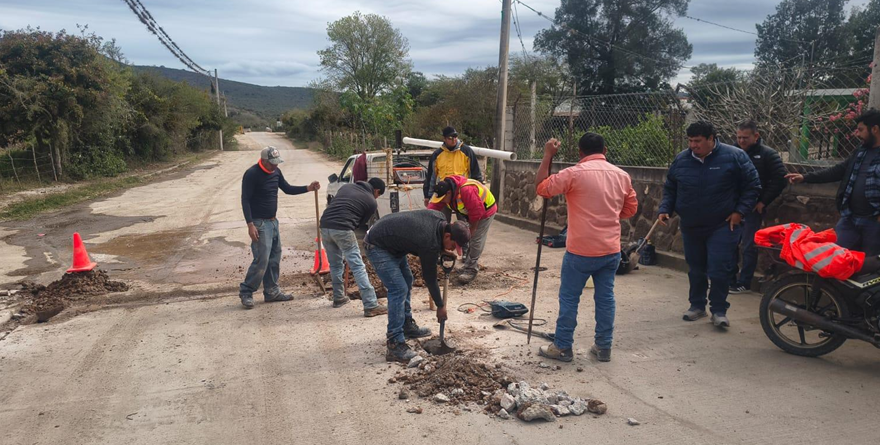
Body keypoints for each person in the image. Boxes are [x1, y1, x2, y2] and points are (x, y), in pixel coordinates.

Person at [534, 134, 638, 363]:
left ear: (580, 152)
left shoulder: (573, 174)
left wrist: (548, 155)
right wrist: (608, 214)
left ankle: (562, 346)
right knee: (606, 298)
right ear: (605, 150)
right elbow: (630, 209)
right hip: (610, 250)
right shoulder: (622, 176)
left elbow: (542, 188)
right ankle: (603, 347)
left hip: (580, 251)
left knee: (570, 298)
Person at [659, 121, 761, 328]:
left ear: (711, 139)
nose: (693, 145)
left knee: (719, 268)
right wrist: (665, 208)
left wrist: (739, 212)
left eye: (697, 141)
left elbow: (753, 186)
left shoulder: (735, 156)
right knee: (696, 268)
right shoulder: (682, 159)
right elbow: (671, 187)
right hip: (691, 225)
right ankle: (697, 306)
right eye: (690, 141)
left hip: (723, 225)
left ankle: (719, 310)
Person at [364, 210, 470, 362]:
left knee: (407, 280)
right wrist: (440, 306)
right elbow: (430, 279)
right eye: (453, 245)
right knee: (398, 288)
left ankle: (406, 326)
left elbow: (424, 239)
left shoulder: (440, 219)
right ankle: (394, 344)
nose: (452, 249)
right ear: (447, 236)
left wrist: (441, 250)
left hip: (392, 242)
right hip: (377, 245)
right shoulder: (429, 241)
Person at [786, 110, 880, 256]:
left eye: (861, 130)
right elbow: (837, 171)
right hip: (850, 217)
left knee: (871, 263)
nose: (857, 134)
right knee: (836, 256)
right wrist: (805, 177)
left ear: (874, 129)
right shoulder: (861, 152)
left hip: (874, 222)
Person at [240, 146, 320, 309]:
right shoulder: (252, 174)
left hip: (273, 222)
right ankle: (246, 292)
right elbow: (245, 199)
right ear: (264, 161)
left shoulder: (276, 172)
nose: (275, 165)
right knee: (262, 259)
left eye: (277, 162)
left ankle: (271, 292)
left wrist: (308, 188)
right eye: (272, 163)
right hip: (259, 223)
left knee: (274, 259)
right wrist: (250, 224)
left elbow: (287, 189)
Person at [730, 119, 788, 294]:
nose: (741, 141)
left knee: (748, 245)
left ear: (756, 136)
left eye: (745, 138)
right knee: (730, 243)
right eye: (739, 137)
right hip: (733, 207)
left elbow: (780, 179)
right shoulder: (732, 152)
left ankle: (744, 282)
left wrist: (764, 201)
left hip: (753, 208)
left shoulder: (768, 155)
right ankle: (729, 279)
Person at [320, 177, 388, 317]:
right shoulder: (371, 201)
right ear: (376, 191)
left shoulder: (346, 187)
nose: (377, 197)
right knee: (357, 266)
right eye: (378, 195)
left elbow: (336, 205)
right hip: (343, 228)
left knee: (335, 264)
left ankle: (338, 297)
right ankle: (371, 305)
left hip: (325, 225)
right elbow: (360, 223)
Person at [427, 175, 497, 284]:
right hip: (471, 211)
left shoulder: (466, 191)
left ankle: (471, 269)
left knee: (475, 239)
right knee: (469, 237)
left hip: (485, 211)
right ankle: (467, 265)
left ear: (449, 193)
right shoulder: (444, 191)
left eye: (442, 199)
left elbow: (477, 212)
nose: (442, 201)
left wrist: (471, 231)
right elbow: (432, 209)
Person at [423, 126, 484, 218]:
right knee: (440, 220)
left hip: (461, 194)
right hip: (443, 193)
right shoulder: (437, 155)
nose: (454, 140)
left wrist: (477, 192)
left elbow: (475, 173)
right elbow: (431, 177)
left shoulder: (466, 152)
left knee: (464, 222)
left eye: (455, 137)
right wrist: (427, 196)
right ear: (444, 139)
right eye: (450, 138)